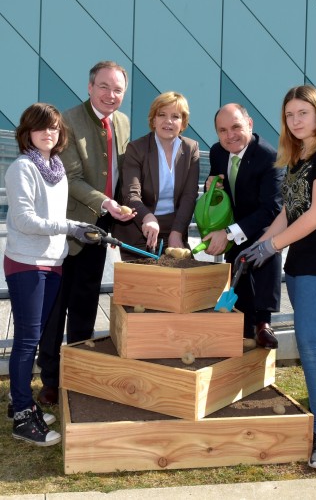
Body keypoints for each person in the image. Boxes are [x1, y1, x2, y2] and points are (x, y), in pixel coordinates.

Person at [241, 85, 316, 471]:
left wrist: (271, 247)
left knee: (312, 339)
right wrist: (256, 244)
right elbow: (290, 213)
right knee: (311, 340)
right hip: (302, 259)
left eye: (302, 113)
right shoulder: (298, 157)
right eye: (290, 115)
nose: (295, 120)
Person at [37, 61, 135, 405]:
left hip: (99, 234)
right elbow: (72, 178)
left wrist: (127, 207)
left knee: (85, 306)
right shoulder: (66, 121)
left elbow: (122, 173)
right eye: (104, 87)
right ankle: (50, 379)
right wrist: (108, 203)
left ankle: (77, 373)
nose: (111, 95)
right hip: (66, 232)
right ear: (90, 87)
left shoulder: (123, 123)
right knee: (54, 309)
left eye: (118, 89)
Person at [5, 103, 102, 445]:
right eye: (41, 127)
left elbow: (56, 217)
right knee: (27, 342)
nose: (50, 133)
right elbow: (25, 220)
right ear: (27, 132)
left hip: (53, 263)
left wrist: (71, 233)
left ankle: (21, 401)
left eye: (55, 128)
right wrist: (72, 227)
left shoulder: (56, 167)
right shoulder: (21, 168)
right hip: (26, 265)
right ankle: (21, 417)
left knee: (36, 336)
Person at [202, 103, 284, 348]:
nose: (230, 135)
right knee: (239, 304)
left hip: (262, 233)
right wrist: (211, 188)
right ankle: (242, 339)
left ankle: (263, 326)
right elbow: (221, 193)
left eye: (236, 127)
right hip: (232, 233)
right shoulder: (217, 152)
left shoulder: (270, 157)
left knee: (259, 313)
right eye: (223, 130)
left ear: (250, 124)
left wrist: (228, 233)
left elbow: (271, 209)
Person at [112, 91, 199, 259]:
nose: (168, 121)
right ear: (153, 120)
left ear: (183, 122)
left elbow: (189, 196)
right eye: (162, 115)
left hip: (174, 230)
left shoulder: (190, 148)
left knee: (182, 281)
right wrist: (147, 217)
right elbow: (131, 194)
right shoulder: (137, 148)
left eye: (175, 116)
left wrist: (177, 232)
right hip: (139, 231)